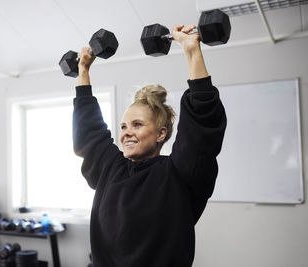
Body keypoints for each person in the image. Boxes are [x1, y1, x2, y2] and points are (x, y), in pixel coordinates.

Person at [72, 24, 227, 267]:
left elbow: (201, 129)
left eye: (137, 125)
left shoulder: (179, 173)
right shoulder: (110, 168)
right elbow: (90, 134)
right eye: (123, 127)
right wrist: (83, 71)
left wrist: (191, 51)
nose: (126, 133)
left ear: (161, 133)